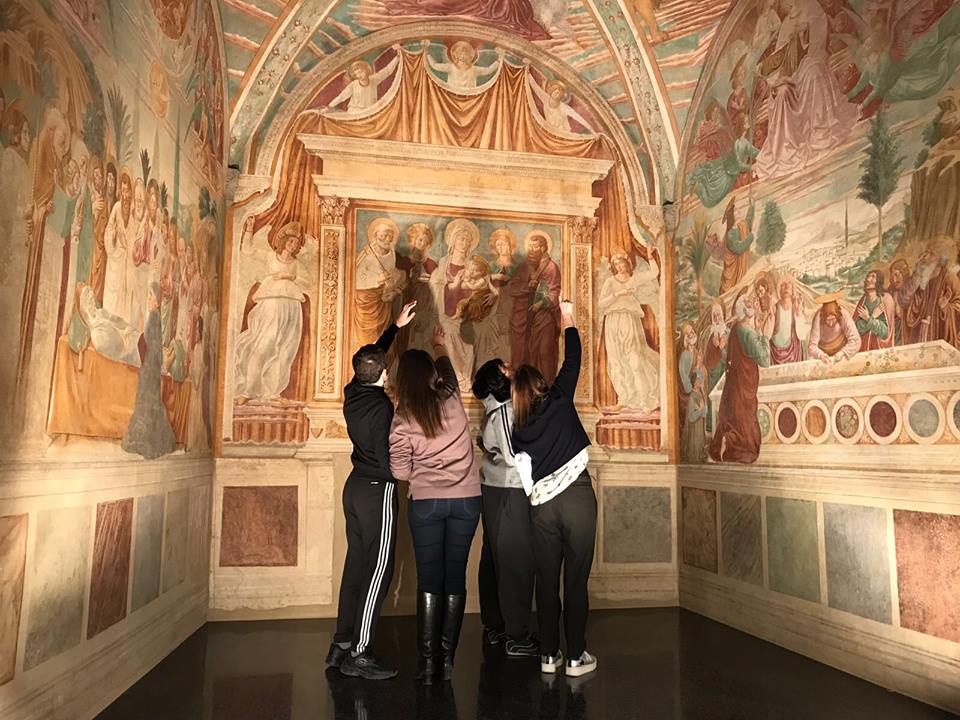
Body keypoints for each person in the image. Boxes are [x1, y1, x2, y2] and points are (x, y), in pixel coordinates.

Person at [327, 300, 417, 680]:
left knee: (356, 567)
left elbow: (372, 358)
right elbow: (386, 459)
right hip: (377, 490)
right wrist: (409, 472)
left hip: (354, 489)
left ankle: (341, 643)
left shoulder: (352, 392)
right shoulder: (381, 407)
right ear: (384, 373)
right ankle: (360, 653)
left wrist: (394, 326)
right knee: (379, 572)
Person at [389, 327, 482, 683]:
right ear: (431, 376)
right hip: (466, 501)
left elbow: (400, 471)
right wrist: (439, 345)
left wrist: (424, 473)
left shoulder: (403, 418)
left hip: (426, 502)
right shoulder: (452, 398)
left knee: (429, 579)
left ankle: (427, 664)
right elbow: (447, 370)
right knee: (455, 576)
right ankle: (447, 660)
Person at [511, 300, 598, 678]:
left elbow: (523, 473)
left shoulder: (518, 429)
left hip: (542, 506)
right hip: (577, 496)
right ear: (541, 386)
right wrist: (568, 318)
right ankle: (576, 657)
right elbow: (573, 359)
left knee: (546, 581)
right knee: (576, 580)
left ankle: (549, 655)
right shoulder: (559, 400)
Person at [472, 359, 538, 658]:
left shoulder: (491, 411)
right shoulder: (507, 410)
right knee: (515, 562)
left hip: (493, 489)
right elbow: (513, 457)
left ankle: (496, 627)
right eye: (505, 368)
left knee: (494, 560)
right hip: (510, 490)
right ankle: (517, 635)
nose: (512, 369)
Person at [708, 292, 771, 464]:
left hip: (736, 386)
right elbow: (765, 360)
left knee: (735, 420)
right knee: (744, 427)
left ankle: (725, 446)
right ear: (744, 310)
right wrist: (764, 334)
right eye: (749, 304)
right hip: (744, 388)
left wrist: (758, 329)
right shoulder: (747, 333)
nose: (753, 305)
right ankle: (733, 449)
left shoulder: (736, 328)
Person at [807, 296, 860, 362]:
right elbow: (812, 346)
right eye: (828, 320)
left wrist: (843, 352)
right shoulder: (818, 317)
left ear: (837, 316)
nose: (831, 323)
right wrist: (820, 355)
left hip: (841, 354)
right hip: (824, 355)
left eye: (833, 319)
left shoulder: (843, 314)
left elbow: (856, 340)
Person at [854, 269, 895, 351]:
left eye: (873, 277)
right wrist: (872, 317)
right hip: (863, 347)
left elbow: (886, 333)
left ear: (879, 280)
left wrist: (868, 319)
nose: (868, 279)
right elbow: (856, 329)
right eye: (868, 276)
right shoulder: (863, 300)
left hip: (878, 348)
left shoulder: (886, 299)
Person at [769, 278, 803, 364]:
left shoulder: (796, 307)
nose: (787, 288)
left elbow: (801, 333)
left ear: (792, 291)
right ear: (779, 291)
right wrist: (771, 315)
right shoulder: (775, 307)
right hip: (775, 350)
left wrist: (798, 313)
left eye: (789, 287)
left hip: (793, 350)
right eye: (783, 286)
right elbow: (769, 330)